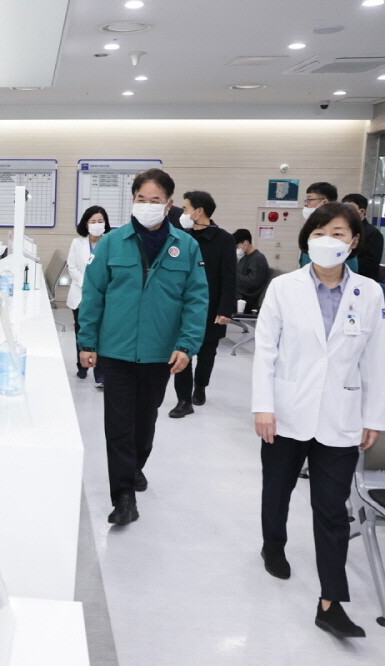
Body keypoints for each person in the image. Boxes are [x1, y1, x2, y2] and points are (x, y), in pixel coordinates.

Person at [253, 202, 385, 639]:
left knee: (331, 510)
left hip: (340, 415)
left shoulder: (368, 292)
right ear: (308, 238)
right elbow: (265, 351)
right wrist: (263, 406)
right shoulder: (283, 288)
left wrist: (374, 416)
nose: (329, 240)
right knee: (277, 489)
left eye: (339, 233)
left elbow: (374, 358)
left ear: (354, 242)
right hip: (286, 410)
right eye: (320, 232)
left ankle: (331, 603)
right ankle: (273, 545)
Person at [78, 168, 209, 526]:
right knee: (118, 423)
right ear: (132, 200)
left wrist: (187, 345)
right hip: (116, 349)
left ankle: (135, 466)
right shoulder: (112, 242)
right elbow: (94, 293)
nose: (147, 204)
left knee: (145, 418)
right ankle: (123, 496)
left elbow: (196, 299)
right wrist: (87, 341)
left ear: (168, 205)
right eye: (141, 198)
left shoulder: (186, 247)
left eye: (155, 199)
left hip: (159, 351)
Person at [169, 191, 237, 417]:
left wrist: (225, 309)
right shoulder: (181, 237)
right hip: (183, 306)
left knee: (207, 353)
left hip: (211, 307)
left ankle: (200, 386)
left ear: (199, 211)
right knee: (182, 351)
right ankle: (183, 400)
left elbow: (229, 277)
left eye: (186, 208)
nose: (182, 213)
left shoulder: (224, 239)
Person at [66, 205, 112, 387]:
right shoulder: (77, 243)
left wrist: (98, 286)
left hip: (103, 296)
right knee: (81, 331)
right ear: (86, 223)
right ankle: (82, 366)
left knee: (100, 334)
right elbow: (72, 267)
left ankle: (100, 373)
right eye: (93, 221)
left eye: (100, 221)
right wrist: (87, 284)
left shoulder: (110, 242)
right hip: (80, 294)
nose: (97, 224)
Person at [342, 192, 384, 281]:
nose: (346, 213)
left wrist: (341, 264)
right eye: (343, 209)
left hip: (363, 280)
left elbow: (370, 264)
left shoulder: (373, 233)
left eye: (350, 209)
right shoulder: (342, 230)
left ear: (362, 212)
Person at [233, 228, 270, 313]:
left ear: (245, 243)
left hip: (247, 301)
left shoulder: (258, 259)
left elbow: (252, 283)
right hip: (239, 296)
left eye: (237, 246)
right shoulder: (244, 258)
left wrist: (233, 274)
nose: (236, 249)